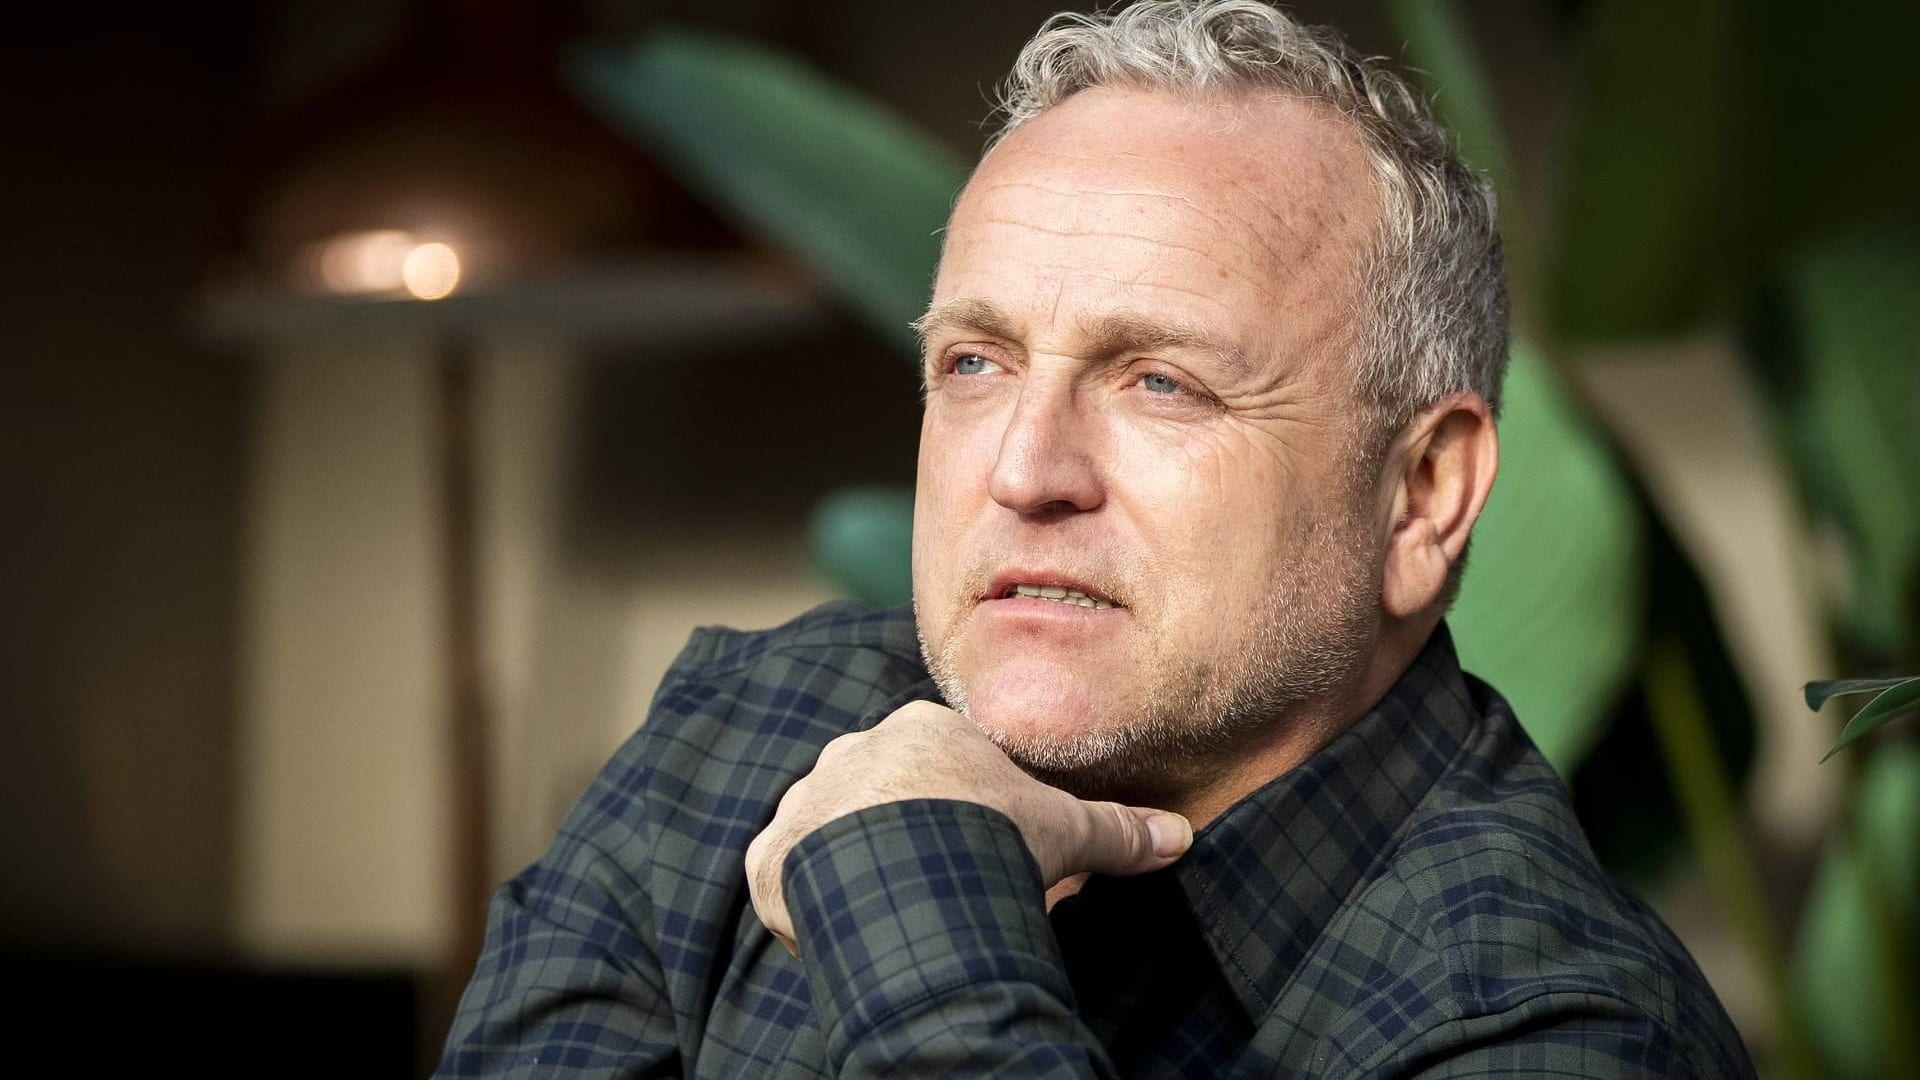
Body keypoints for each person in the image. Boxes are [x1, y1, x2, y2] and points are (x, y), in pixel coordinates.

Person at [437, 2, 1755, 1076]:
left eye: (1160, 383)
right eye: (975, 364)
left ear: (1423, 492)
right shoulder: (743, 736)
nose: (1024, 472)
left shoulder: (1562, 1030)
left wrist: (909, 885)